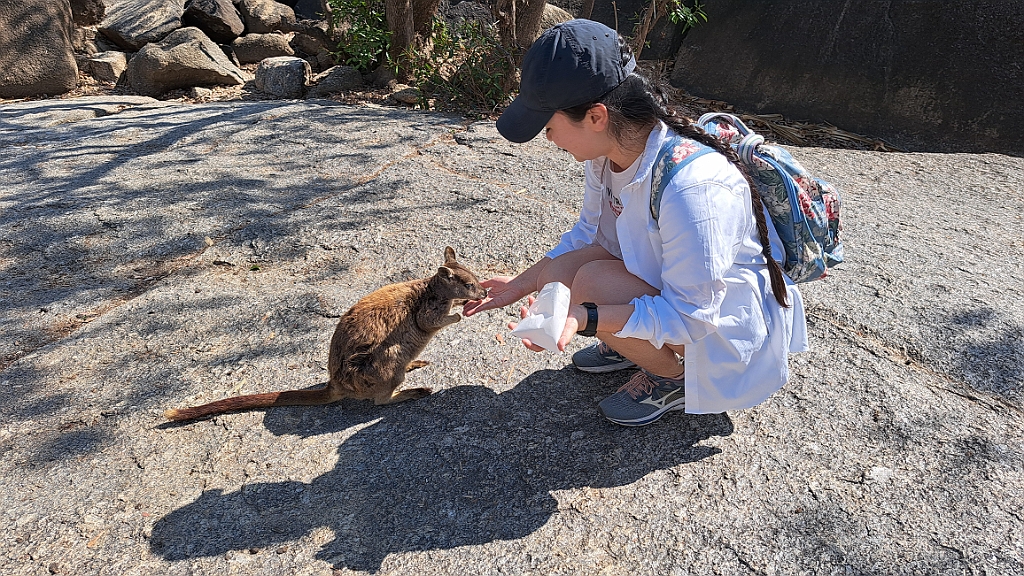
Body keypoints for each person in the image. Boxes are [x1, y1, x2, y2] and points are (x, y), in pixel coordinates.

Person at [462, 19, 808, 426]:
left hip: (716, 327)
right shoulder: (607, 153)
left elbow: (693, 317)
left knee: (590, 286)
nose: (548, 139)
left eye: (549, 127)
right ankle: (629, 341)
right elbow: (591, 237)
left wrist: (588, 318)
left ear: (596, 116)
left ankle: (673, 378)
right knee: (558, 276)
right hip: (675, 288)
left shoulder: (693, 187)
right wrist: (520, 285)